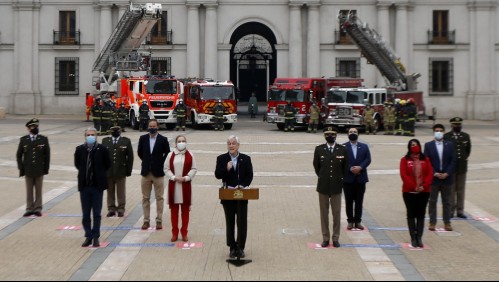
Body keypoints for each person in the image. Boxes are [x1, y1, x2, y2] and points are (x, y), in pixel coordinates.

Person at [215, 135, 254, 258]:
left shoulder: (246, 159)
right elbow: (217, 174)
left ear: (238, 145)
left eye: (233, 143)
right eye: (229, 143)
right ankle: (232, 247)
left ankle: (241, 247)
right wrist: (226, 168)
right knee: (230, 222)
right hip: (228, 196)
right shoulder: (222, 158)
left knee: (242, 223)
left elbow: (249, 175)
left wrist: (244, 185)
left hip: (241, 195)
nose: (231, 145)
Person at [74, 127, 111, 247]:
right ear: (85, 136)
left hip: (97, 187)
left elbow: (107, 164)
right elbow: (78, 164)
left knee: (96, 213)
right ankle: (88, 236)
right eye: (88, 135)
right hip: (85, 187)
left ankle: (96, 236)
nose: (90, 136)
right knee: (85, 214)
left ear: (96, 136)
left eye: (92, 135)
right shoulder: (80, 149)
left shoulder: (102, 149)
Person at [313, 126, 348, 248]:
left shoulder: (342, 149)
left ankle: (336, 238)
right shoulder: (319, 149)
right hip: (323, 186)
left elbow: (345, 167)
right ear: (324, 136)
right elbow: (317, 167)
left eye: (332, 134)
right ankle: (326, 238)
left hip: (336, 186)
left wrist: (339, 178)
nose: (330, 136)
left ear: (336, 135)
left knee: (336, 213)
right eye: (327, 134)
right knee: (324, 213)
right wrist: (323, 176)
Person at [400, 139, 433, 248]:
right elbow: (404, 175)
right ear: (409, 147)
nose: (414, 147)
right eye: (412, 145)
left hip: (424, 192)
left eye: (416, 145)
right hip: (409, 192)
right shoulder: (404, 160)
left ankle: (419, 237)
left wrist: (424, 186)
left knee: (420, 215)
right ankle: (413, 237)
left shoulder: (426, 160)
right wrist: (414, 186)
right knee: (411, 214)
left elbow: (429, 174)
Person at [137, 119, 170, 230]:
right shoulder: (143, 139)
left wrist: (160, 163)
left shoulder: (163, 140)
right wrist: (147, 162)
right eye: (150, 126)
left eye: (154, 126)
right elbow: (140, 153)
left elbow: (167, 153)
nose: (152, 128)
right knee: (145, 198)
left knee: (159, 198)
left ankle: (159, 220)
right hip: (146, 172)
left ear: (157, 127)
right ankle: (146, 220)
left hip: (158, 173)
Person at [424, 124, 456, 231]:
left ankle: (447, 222)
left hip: (447, 178)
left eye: (441, 131)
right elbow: (426, 161)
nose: (438, 132)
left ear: (443, 132)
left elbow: (453, 160)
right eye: (436, 130)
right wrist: (434, 173)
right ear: (433, 132)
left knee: (447, 201)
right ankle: (432, 222)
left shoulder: (450, 145)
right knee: (432, 201)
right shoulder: (428, 145)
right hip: (434, 178)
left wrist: (447, 173)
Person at [165, 135, 198, 242]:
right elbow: (166, 169)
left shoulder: (190, 155)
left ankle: (184, 232)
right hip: (174, 186)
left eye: (183, 141)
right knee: (174, 212)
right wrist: (173, 177)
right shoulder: (170, 155)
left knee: (185, 211)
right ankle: (174, 233)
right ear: (175, 143)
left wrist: (186, 178)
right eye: (179, 141)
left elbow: (194, 168)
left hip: (185, 186)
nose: (181, 142)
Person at [16, 118, 50, 217]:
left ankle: (38, 208)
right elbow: (19, 155)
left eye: (36, 126)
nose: (35, 128)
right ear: (28, 128)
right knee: (29, 190)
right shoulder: (24, 140)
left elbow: (47, 155)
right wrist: (21, 167)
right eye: (33, 126)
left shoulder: (43, 139)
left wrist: (46, 168)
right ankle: (29, 208)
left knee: (39, 190)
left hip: (39, 169)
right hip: (28, 169)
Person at [101, 126, 134, 218]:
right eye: (113, 131)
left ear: (120, 131)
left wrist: (128, 170)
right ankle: (111, 208)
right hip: (109, 171)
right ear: (111, 132)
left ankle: (121, 208)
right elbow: (102, 157)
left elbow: (130, 157)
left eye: (117, 131)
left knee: (121, 191)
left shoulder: (126, 141)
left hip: (121, 171)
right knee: (110, 191)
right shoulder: (105, 141)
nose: (115, 133)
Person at [343, 127, 371, 230]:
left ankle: (358, 221)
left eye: (355, 132)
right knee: (349, 201)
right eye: (351, 132)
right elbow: (342, 160)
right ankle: (350, 221)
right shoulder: (343, 147)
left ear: (358, 134)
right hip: (348, 179)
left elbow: (368, 159)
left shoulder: (364, 147)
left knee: (359, 201)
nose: (353, 133)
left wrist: (360, 167)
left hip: (361, 178)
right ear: (348, 134)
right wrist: (350, 168)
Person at [444, 117, 472, 219]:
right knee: (451, 189)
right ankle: (451, 210)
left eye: (459, 124)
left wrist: (462, 160)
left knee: (461, 189)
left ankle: (460, 211)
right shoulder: (447, 136)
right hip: (451, 167)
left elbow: (468, 151)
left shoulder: (465, 136)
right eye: (456, 125)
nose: (458, 126)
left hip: (462, 167)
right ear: (452, 126)